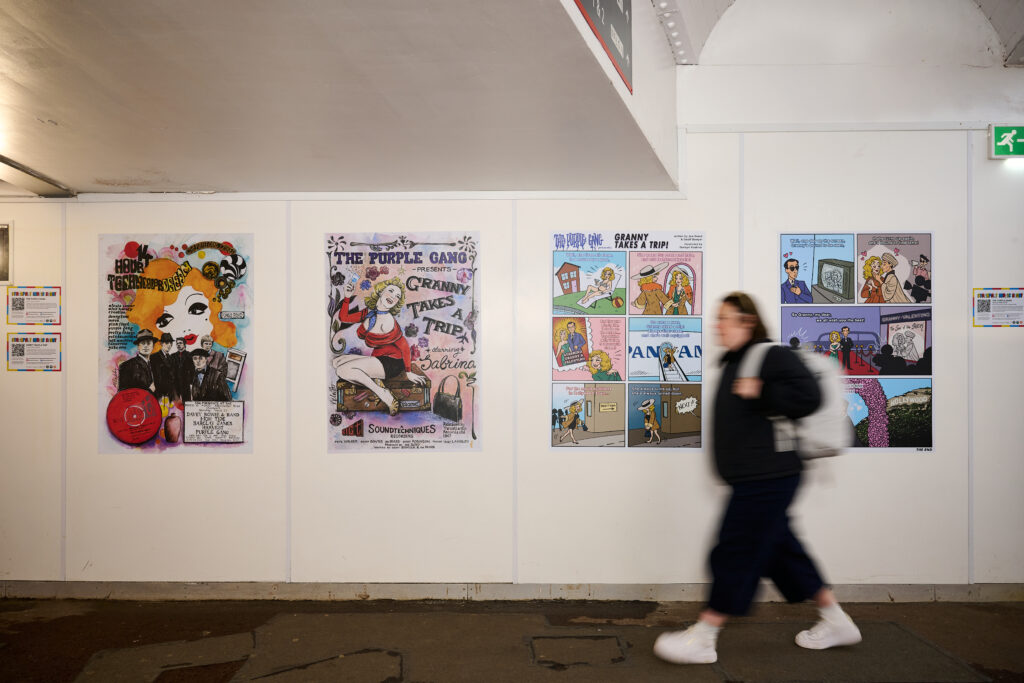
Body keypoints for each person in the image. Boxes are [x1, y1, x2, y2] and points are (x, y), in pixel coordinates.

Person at [654, 292, 860, 665]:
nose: (717, 326)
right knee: (783, 553)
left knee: (735, 550)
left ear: (747, 322)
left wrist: (762, 391)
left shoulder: (769, 355)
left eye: (725, 318)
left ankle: (704, 635)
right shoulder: (737, 361)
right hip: (758, 477)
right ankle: (836, 620)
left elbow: (808, 396)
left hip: (769, 476)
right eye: (718, 318)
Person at [332, 276, 427, 415]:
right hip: (378, 358)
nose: (393, 297)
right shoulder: (370, 313)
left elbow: (404, 347)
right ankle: (374, 381)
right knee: (336, 362)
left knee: (341, 370)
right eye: (391, 291)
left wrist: (408, 372)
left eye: (397, 296)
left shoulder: (388, 322)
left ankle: (384, 394)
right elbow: (344, 318)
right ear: (381, 291)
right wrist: (347, 297)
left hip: (392, 363)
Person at [117, 329, 158, 395]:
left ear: (153, 346)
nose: (146, 346)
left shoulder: (155, 365)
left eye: (148, 343)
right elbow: (123, 394)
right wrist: (149, 390)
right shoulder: (126, 366)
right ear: (138, 346)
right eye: (143, 343)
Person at [171, 337, 195, 401]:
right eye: (177, 343)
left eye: (180, 343)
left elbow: (192, 370)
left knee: (186, 402)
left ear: (184, 344)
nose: (178, 345)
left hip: (186, 383)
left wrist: (191, 382)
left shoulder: (190, 355)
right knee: (175, 402)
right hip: (175, 383)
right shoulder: (172, 356)